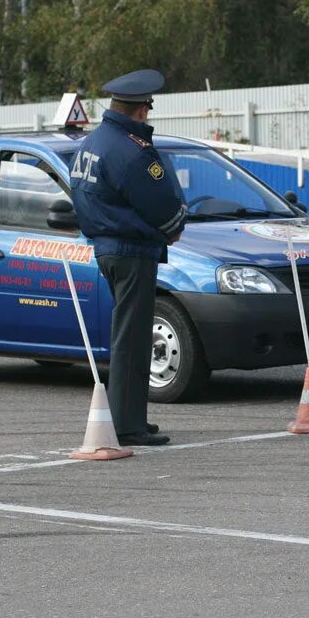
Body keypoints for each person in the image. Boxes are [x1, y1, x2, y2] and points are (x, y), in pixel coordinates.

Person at [70, 69, 187, 446]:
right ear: (141, 110)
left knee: (130, 336)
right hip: (132, 250)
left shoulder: (92, 144)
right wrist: (173, 225)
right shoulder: (131, 151)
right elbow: (161, 204)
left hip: (107, 249)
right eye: (148, 110)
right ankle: (126, 425)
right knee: (132, 340)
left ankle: (132, 416)